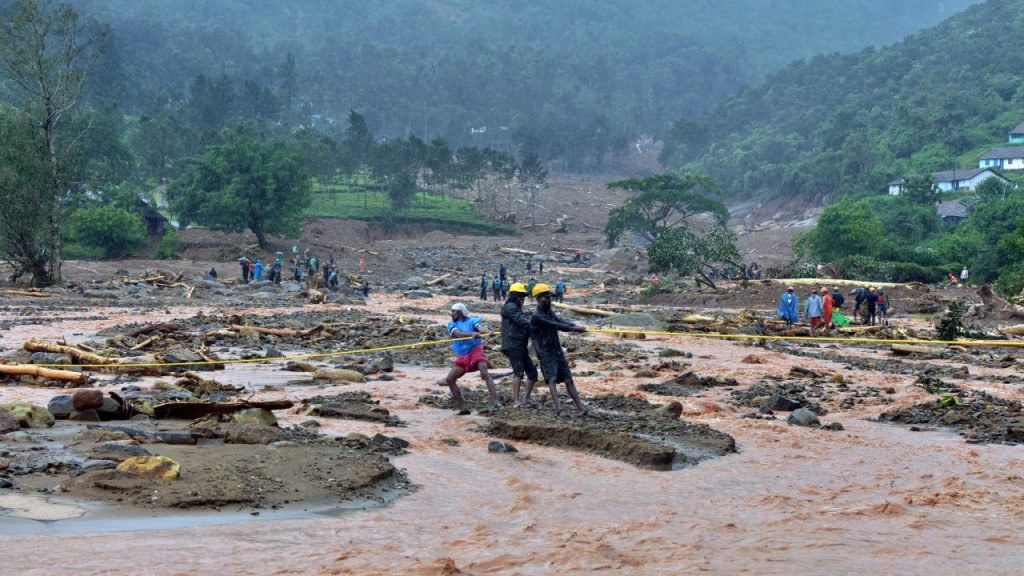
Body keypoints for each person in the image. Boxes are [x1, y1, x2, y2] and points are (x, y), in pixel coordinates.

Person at [530, 283, 590, 418]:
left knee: (569, 379)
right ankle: (559, 409)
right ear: (538, 298)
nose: (549, 300)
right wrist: (575, 330)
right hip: (546, 352)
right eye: (546, 297)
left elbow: (560, 320)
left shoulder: (548, 312)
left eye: (550, 297)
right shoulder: (537, 316)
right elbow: (556, 325)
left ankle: (581, 408)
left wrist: (575, 325)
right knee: (551, 380)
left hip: (556, 349)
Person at [444, 303, 501, 415]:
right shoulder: (451, 324)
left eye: (453, 311)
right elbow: (458, 334)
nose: (452, 314)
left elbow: (480, 328)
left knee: (484, 372)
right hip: (463, 355)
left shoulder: (472, 321)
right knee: (450, 379)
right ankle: (462, 408)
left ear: (460, 312)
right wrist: (471, 333)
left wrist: (487, 332)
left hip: (476, 350)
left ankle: (496, 402)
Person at [501, 283, 539, 407]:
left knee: (532, 373)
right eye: (520, 296)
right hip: (513, 344)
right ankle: (516, 401)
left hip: (520, 344)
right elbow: (521, 321)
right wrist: (537, 326)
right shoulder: (510, 307)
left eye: (523, 297)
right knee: (518, 372)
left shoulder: (515, 307)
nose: (522, 299)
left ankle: (526, 399)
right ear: (514, 296)